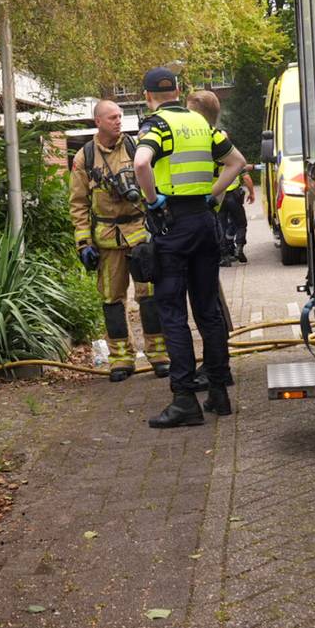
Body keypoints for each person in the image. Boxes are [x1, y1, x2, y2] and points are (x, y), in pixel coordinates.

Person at [132, 67, 249, 428]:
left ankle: (184, 399)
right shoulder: (202, 125)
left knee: (172, 312)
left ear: (149, 95)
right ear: (179, 90)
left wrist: (153, 201)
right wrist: (212, 195)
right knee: (208, 310)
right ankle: (218, 392)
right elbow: (237, 163)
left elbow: (140, 162)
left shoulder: (157, 125)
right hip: (203, 223)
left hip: (173, 225)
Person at [69, 100, 171, 382]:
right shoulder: (84, 158)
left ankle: (159, 354)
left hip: (140, 233)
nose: (118, 121)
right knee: (111, 300)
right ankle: (121, 359)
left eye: (120, 117)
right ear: (98, 122)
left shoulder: (136, 147)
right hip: (106, 239)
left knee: (148, 296)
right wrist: (83, 243)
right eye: (113, 117)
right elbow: (78, 203)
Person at [185, 91, 254, 266]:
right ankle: (232, 251)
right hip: (219, 200)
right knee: (234, 226)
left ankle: (225, 255)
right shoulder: (219, 139)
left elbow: (239, 163)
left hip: (200, 206)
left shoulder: (203, 137)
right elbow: (240, 164)